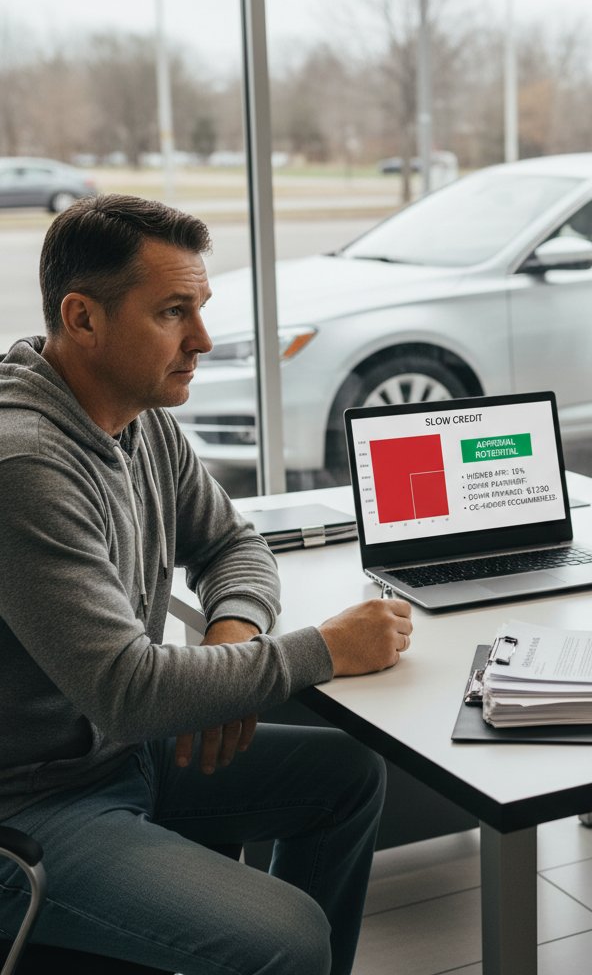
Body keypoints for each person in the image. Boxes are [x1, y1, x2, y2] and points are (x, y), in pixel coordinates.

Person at [0, 194, 414, 975]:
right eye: (172, 312)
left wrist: (233, 641)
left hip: (119, 758)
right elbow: (128, 692)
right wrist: (325, 650)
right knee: (288, 934)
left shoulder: (138, 415)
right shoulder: (24, 465)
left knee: (349, 777)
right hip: (32, 806)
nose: (202, 339)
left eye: (199, 308)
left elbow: (232, 542)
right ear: (83, 319)